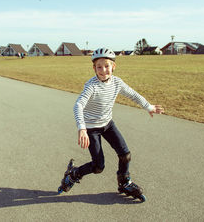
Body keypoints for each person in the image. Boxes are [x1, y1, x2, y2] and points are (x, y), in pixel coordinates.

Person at [58, 47, 164, 199]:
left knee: (125, 155)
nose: (103, 70)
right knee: (98, 166)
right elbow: (78, 105)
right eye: (99, 67)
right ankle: (74, 173)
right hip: (91, 128)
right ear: (94, 68)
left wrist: (149, 107)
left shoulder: (117, 83)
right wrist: (82, 128)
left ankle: (124, 182)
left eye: (107, 66)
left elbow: (132, 94)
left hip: (107, 124)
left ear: (113, 66)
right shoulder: (91, 86)